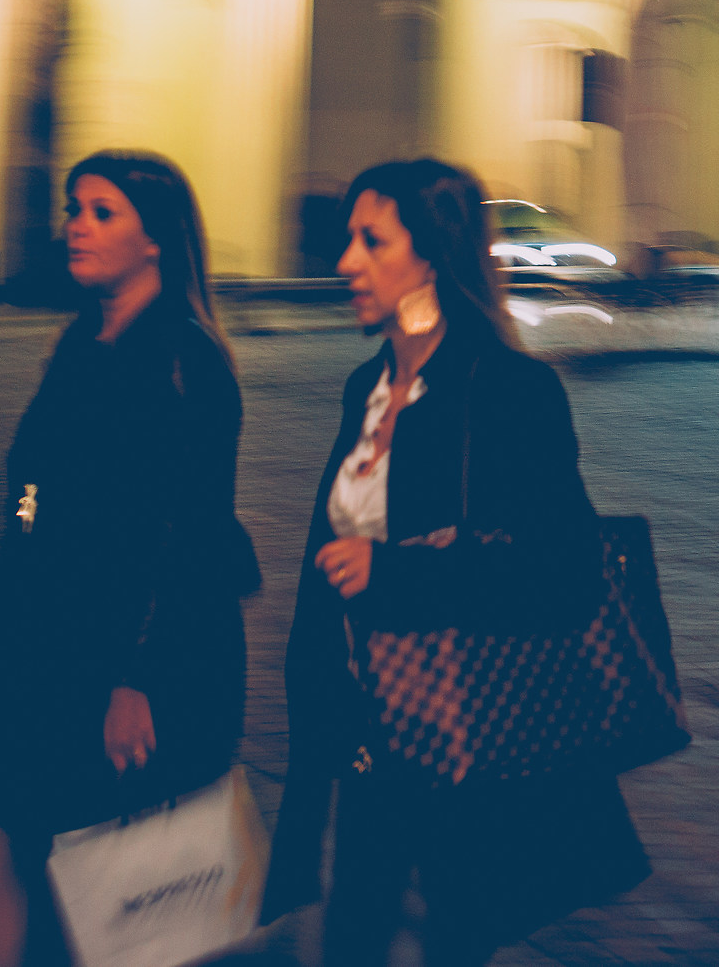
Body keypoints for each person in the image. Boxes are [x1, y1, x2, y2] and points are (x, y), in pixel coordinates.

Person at [265, 158, 650, 967]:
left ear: (432, 254)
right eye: (347, 240)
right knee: (354, 937)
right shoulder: (363, 387)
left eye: (372, 240)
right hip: (367, 740)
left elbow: (566, 575)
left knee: (439, 940)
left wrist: (395, 573)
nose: (345, 262)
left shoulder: (509, 391)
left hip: (467, 750)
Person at [0, 150, 261, 967]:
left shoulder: (184, 359)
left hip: (136, 656)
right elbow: (37, 479)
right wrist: (23, 545)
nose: (75, 226)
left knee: (114, 882)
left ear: (156, 238)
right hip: (48, 644)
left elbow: (187, 531)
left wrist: (139, 676)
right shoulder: (83, 340)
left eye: (101, 211)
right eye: (72, 207)